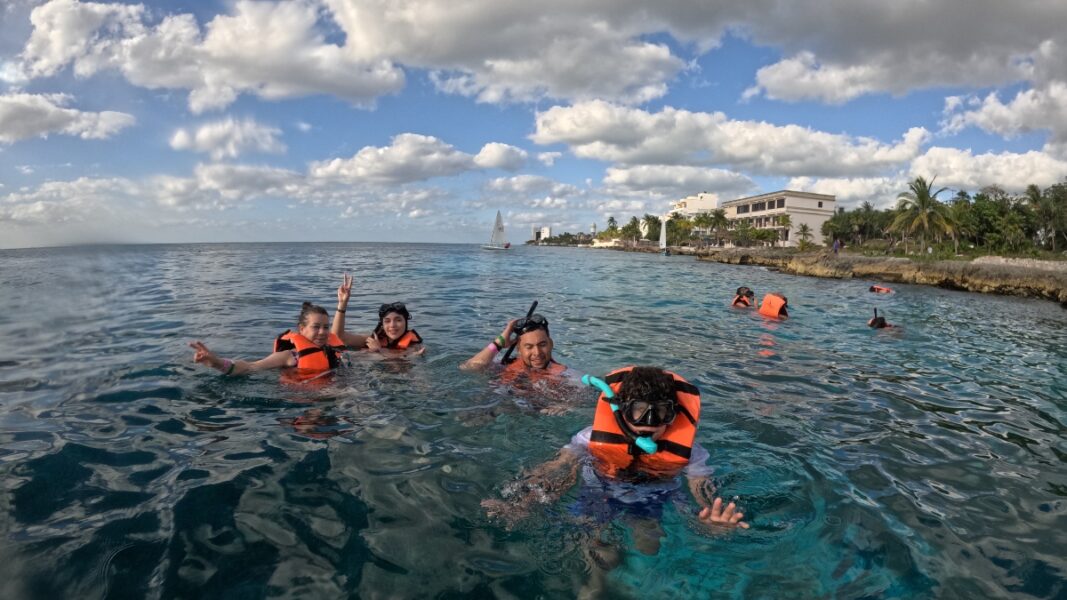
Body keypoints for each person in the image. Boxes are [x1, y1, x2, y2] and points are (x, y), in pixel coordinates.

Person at [482, 367, 747, 579]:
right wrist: (524, 496)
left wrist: (709, 515)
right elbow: (557, 468)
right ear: (620, 410)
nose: (649, 425)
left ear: (673, 416)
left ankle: (638, 582)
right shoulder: (589, 439)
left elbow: (702, 486)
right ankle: (596, 585)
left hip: (651, 499)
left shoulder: (691, 453)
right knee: (598, 548)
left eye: (661, 413)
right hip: (599, 490)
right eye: (639, 412)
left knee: (649, 546)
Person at [189, 301, 355, 382]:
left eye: (326, 327)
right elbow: (250, 367)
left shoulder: (332, 349)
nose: (323, 332)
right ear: (301, 329)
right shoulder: (290, 356)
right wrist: (216, 363)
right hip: (305, 401)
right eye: (316, 327)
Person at [331, 274, 423, 355]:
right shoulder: (374, 340)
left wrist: (379, 350)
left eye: (398, 320)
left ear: (406, 321)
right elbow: (337, 337)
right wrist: (342, 304)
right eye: (387, 321)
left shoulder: (415, 347)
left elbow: (402, 362)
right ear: (382, 325)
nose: (392, 325)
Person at [461, 313, 567, 378]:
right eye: (529, 347)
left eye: (542, 345)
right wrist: (499, 343)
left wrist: (566, 405)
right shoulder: (505, 365)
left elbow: (581, 386)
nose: (537, 353)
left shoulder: (563, 373)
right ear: (519, 349)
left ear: (551, 344)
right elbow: (468, 367)